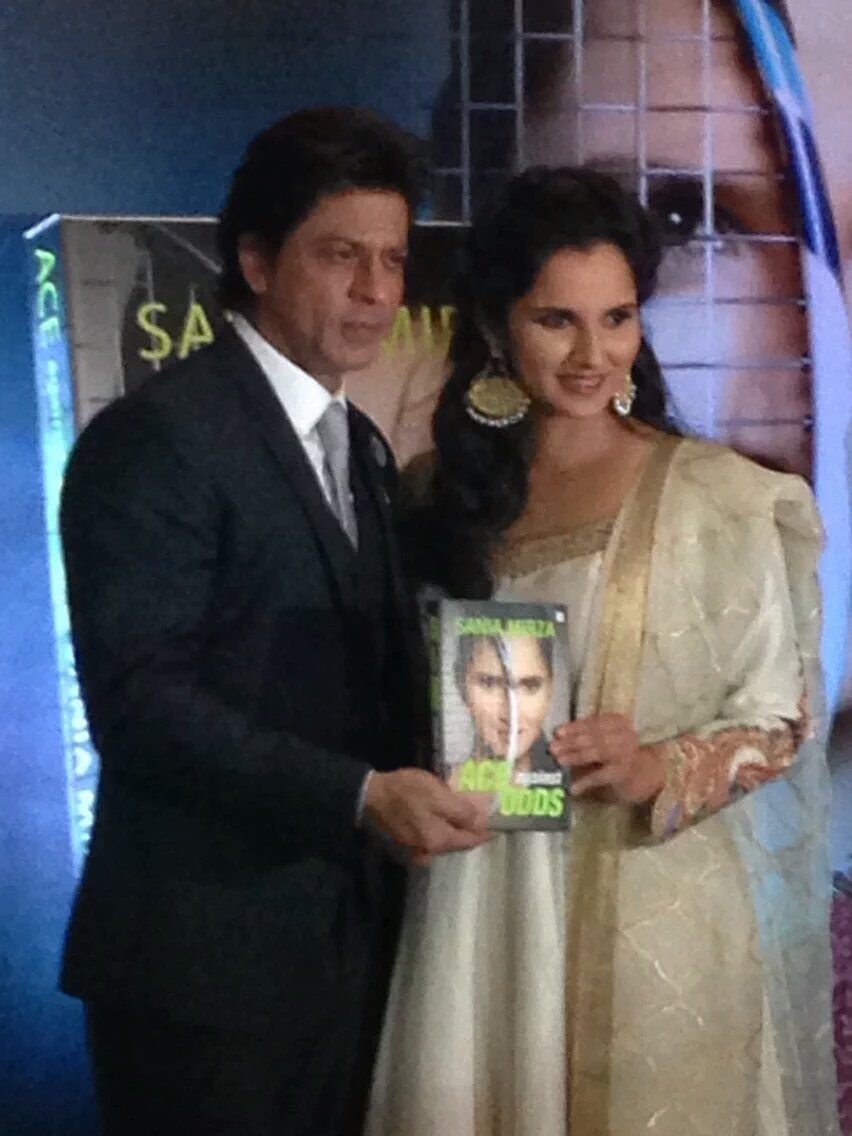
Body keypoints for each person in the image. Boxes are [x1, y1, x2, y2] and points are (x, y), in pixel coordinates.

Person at [366, 166, 838, 1135]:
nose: (593, 354)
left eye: (617, 318)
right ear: (495, 324)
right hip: (478, 910)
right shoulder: (432, 498)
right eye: (557, 320)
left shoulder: (722, 499)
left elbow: (781, 717)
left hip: (657, 910)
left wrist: (657, 763)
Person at [58, 106, 487, 1136]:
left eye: (393, 259)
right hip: (203, 974)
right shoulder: (158, 438)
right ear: (255, 260)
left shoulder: (364, 446)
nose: (378, 291)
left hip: (348, 952)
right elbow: (141, 705)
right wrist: (360, 794)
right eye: (342, 256)